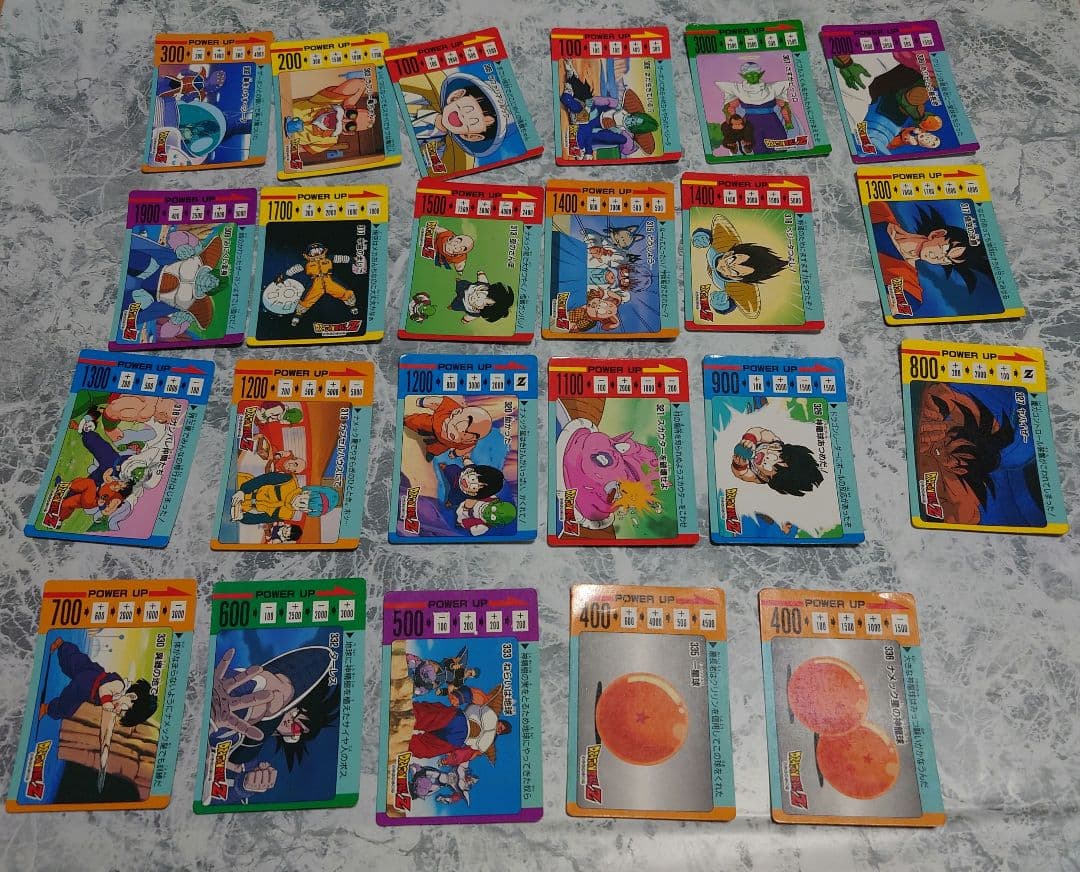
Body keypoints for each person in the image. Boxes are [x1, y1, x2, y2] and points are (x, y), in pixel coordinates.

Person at [868, 200, 992, 308]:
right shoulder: (879, 210)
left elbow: (895, 306)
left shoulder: (909, 285)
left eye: (947, 260)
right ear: (936, 234)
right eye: (945, 251)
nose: (939, 258)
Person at [691, 214, 787, 319]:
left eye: (735, 272)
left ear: (738, 279)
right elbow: (715, 231)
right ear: (729, 253)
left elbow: (741, 306)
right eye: (731, 260)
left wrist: (722, 305)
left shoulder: (737, 287)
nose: (726, 267)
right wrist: (703, 236)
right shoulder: (724, 243)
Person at [729, 427, 823, 496]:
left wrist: (739, 464)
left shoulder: (759, 476)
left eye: (768, 467)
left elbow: (741, 475)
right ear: (776, 447)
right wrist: (750, 439)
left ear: (765, 477)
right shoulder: (773, 441)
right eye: (772, 457)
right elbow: (758, 432)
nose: (766, 460)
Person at [404, 396, 493, 461]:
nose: (457, 436)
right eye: (457, 428)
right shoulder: (450, 407)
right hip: (432, 423)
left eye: (463, 437)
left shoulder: (469, 443)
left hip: (444, 444)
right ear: (456, 412)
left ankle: (431, 452)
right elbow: (437, 402)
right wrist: (423, 402)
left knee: (437, 449)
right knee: (417, 421)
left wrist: (455, 454)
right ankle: (406, 421)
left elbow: (463, 450)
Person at [448, 271, 515, 324]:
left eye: (486, 304)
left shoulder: (474, 313)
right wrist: (480, 273)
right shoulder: (483, 284)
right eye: (486, 295)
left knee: (455, 306)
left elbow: (469, 317)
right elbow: (481, 276)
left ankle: (451, 307)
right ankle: (458, 281)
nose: (479, 298)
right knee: (460, 283)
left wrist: (465, 320)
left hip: (461, 303)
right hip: (465, 287)